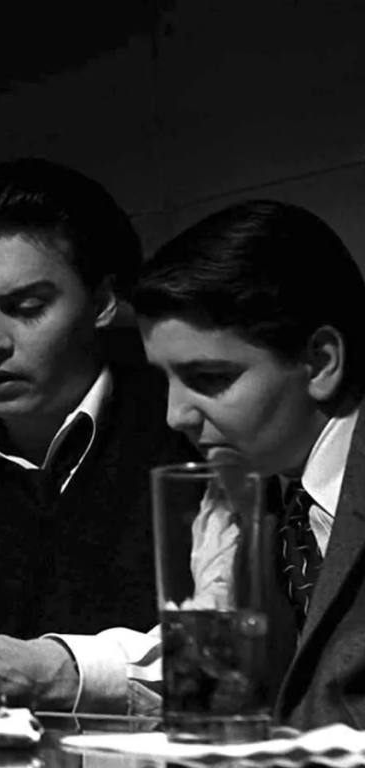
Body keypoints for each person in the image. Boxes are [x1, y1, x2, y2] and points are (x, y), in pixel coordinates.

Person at [0, 158, 202, 712]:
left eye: (26, 308)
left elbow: (236, 652)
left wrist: (59, 669)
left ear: (102, 302)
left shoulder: (196, 440)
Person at [131, 199, 365, 730]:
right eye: (164, 381)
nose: (174, 416)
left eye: (210, 379)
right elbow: (223, 695)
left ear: (320, 363)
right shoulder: (254, 499)